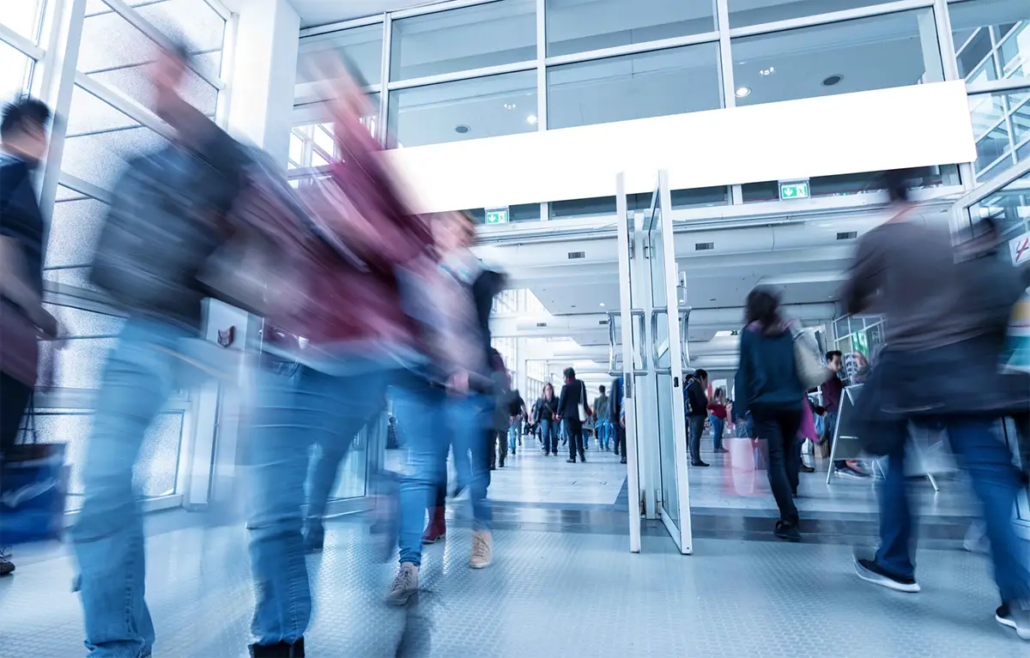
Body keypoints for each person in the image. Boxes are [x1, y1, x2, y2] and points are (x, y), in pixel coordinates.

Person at [844, 170, 1030, 640]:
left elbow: (849, 297)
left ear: (881, 197)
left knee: (896, 461)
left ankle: (896, 564)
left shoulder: (879, 239)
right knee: (987, 473)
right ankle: (1020, 598)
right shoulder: (942, 241)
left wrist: (883, 300)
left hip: (910, 369)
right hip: (964, 370)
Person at [0, 96, 60, 578]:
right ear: (27, 128)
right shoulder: (12, 177)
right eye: (44, 131)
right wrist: (43, 316)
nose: (47, 143)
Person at [734, 288, 805, 542]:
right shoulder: (787, 331)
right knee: (787, 455)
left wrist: (739, 408)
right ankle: (791, 491)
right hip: (792, 404)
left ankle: (789, 518)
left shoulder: (750, 335)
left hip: (765, 405)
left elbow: (744, 372)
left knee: (774, 462)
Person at [821, 350, 868, 478]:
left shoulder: (833, 377)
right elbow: (835, 396)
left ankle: (841, 463)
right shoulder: (828, 377)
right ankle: (839, 465)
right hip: (835, 411)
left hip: (837, 410)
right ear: (829, 362)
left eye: (840, 363)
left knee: (839, 436)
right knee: (836, 437)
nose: (840, 366)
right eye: (837, 363)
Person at [557, 367, 590, 463]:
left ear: (566, 376)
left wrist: (558, 413)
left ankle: (572, 457)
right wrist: (586, 410)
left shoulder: (565, 387)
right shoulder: (581, 383)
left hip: (568, 415)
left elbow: (561, 401)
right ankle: (581, 454)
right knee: (579, 434)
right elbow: (584, 398)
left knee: (571, 436)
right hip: (579, 414)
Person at [685, 369, 710, 467]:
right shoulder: (696, 386)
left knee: (693, 436)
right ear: (701, 377)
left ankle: (694, 458)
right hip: (697, 414)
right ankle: (696, 459)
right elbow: (701, 401)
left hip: (691, 414)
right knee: (695, 437)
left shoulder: (690, 385)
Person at [533, 382, 560, 456]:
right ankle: (546, 449)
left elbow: (560, 409)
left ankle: (554, 449)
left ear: (552, 390)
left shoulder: (557, 399)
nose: (548, 391)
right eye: (547, 389)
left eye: (550, 389)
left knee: (554, 434)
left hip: (554, 419)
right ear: (544, 391)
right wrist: (537, 421)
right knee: (545, 433)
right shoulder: (541, 400)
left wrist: (557, 414)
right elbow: (538, 410)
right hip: (544, 418)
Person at [610, 375, 627, 463]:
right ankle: (624, 455)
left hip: (621, 411)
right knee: (623, 434)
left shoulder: (617, 381)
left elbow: (611, 400)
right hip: (620, 411)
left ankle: (624, 456)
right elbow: (612, 401)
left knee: (623, 435)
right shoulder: (617, 381)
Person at [707, 388, 728, 454]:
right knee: (717, 433)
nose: (721, 395)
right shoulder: (715, 401)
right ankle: (716, 447)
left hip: (721, 418)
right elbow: (709, 406)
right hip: (716, 417)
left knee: (720, 433)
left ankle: (720, 446)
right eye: (720, 394)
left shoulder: (721, 401)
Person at [507, 389, 527, 457]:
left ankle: (519, 438)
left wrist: (522, 414)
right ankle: (513, 448)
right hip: (511, 417)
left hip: (517, 416)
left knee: (518, 430)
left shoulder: (518, 398)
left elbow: (522, 406)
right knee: (512, 432)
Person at [593, 385, 610, 451]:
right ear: (604, 390)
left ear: (599, 391)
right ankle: (606, 444)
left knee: (600, 432)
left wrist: (594, 418)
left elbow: (594, 410)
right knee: (607, 431)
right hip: (607, 417)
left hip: (599, 417)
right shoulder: (608, 399)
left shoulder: (596, 399)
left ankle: (601, 445)